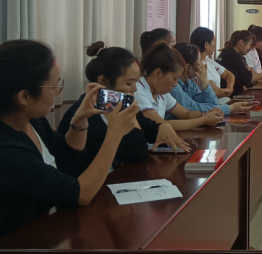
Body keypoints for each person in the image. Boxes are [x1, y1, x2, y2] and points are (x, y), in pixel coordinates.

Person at [0, 40, 140, 252]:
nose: (58, 91)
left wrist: (80, 119)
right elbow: (81, 194)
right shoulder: (0, 151)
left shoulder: (32, 121)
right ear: (24, 96)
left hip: (39, 237)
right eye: (54, 86)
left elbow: (66, 153)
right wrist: (114, 135)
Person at [57, 42, 189, 163]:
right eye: (129, 83)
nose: (135, 89)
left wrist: (162, 126)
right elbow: (137, 151)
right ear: (103, 81)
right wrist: (132, 116)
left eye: (136, 82)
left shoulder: (111, 102)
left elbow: (147, 126)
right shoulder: (87, 115)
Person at [135, 42, 223, 132]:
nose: (175, 84)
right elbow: (162, 124)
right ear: (158, 73)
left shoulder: (161, 93)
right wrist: (203, 120)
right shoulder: (138, 91)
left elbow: (185, 113)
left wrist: (206, 114)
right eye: (174, 78)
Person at [171, 44, 253, 116]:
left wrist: (205, 83)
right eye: (199, 61)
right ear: (187, 67)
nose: (202, 64)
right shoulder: (173, 85)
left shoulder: (189, 82)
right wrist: (231, 108)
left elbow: (213, 104)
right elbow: (192, 108)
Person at [217, 30, 262, 95]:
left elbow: (245, 74)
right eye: (250, 45)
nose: (250, 49)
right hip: (229, 94)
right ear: (241, 42)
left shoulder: (232, 53)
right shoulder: (231, 55)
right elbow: (248, 76)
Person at [190, 26, 235, 102]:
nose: (214, 45)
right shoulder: (199, 65)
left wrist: (229, 88)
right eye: (214, 42)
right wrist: (228, 92)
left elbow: (229, 75)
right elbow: (215, 92)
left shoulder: (209, 61)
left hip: (220, 100)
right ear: (206, 45)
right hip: (210, 103)